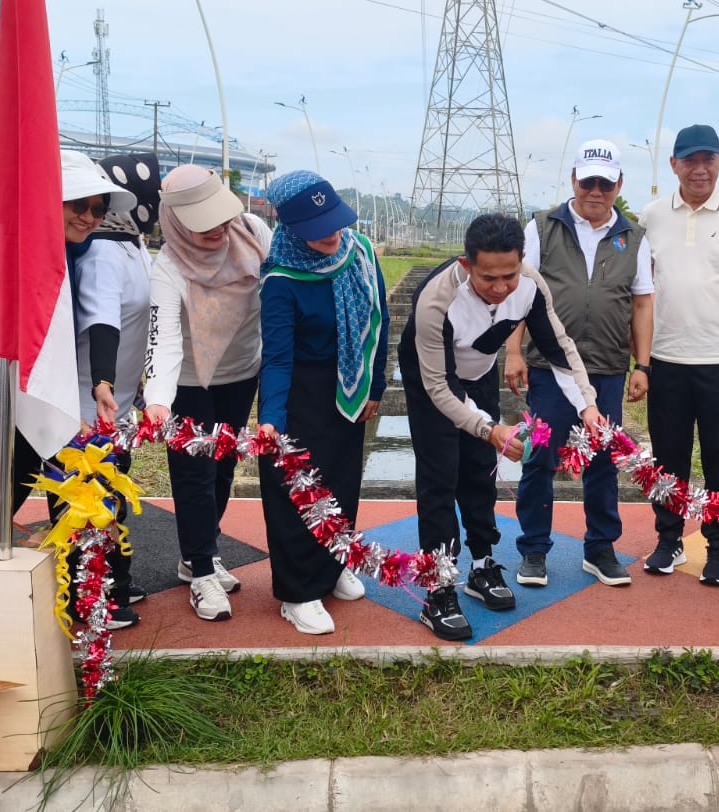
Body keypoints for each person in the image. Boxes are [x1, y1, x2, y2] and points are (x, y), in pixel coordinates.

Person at [0, 152, 135, 595]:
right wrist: (61, 415)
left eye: (99, 209)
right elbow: (21, 351)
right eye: (79, 205)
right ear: (49, 203)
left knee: (5, 497)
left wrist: (96, 385)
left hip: (17, 393)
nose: (90, 217)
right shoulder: (15, 253)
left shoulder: (69, 253)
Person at [399, 213, 603, 641]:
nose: (500, 287)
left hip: (479, 374)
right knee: (440, 480)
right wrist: (488, 427)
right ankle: (438, 587)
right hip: (432, 379)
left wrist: (587, 405)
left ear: (521, 262)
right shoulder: (436, 300)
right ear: (466, 264)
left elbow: (560, 348)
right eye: (488, 277)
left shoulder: (529, 285)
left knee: (479, 472)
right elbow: (440, 387)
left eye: (509, 275)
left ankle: (481, 565)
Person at [505, 139, 653, 588]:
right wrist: (514, 351)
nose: (596, 191)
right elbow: (518, 291)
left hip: (606, 369)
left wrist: (642, 365)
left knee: (603, 459)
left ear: (619, 184)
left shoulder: (633, 237)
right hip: (551, 368)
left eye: (605, 183)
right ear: (573, 179)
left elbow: (642, 303)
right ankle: (534, 549)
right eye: (588, 181)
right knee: (540, 458)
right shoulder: (542, 228)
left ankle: (600, 549)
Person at [254, 171, 389, 635]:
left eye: (335, 220)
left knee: (342, 482)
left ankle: (332, 566)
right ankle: (297, 592)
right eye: (318, 228)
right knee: (298, 490)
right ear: (291, 228)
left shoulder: (361, 252)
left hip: (349, 387)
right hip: (300, 391)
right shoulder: (281, 280)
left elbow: (378, 319)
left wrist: (374, 386)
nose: (332, 234)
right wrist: (271, 419)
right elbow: (277, 358)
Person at [636, 124, 719, 586]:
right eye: (689, 160)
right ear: (673, 165)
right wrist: (640, 358)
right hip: (666, 357)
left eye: (708, 159)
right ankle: (668, 541)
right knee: (668, 459)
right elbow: (640, 287)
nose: (699, 169)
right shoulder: (651, 216)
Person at [142, 164, 270, 623]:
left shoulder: (252, 232)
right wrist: (158, 399)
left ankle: (200, 551)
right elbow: (163, 339)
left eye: (220, 217)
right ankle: (200, 573)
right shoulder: (168, 266)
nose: (218, 229)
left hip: (241, 370)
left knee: (223, 465)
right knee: (194, 472)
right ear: (177, 223)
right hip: (188, 379)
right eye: (204, 223)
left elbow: (276, 290)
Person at [62, 149, 154, 628]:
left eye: (100, 208)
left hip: (115, 401)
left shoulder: (133, 243)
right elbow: (103, 321)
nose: (93, 215)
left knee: (112, 491)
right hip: (87, 398)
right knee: (86, 498)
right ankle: (88, 597)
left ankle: (114, 579)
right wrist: (103, 380)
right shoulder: (100, 251)